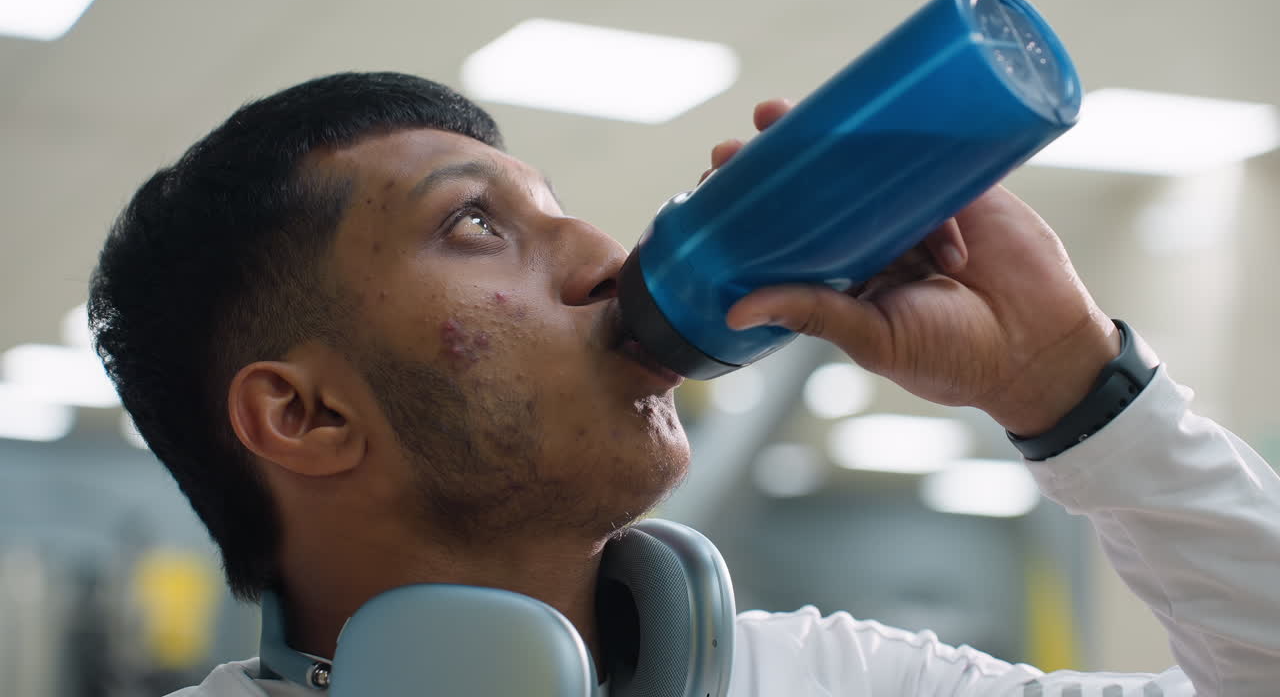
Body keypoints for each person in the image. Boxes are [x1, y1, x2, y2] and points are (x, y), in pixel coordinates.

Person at [88, 72, 1280, 696]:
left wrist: (1073, 389)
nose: (608, 258)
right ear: (304, 414)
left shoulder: (828, 682)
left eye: (559, 207)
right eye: (471, 225)